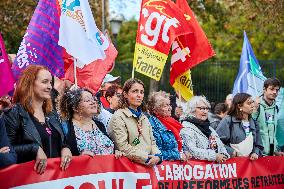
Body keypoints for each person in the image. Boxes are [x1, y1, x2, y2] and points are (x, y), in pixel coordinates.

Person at [3, 65, 72, 174]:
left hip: (56, 180)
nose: (50, 87)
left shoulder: (52, 113)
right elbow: (6, 150)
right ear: (30, 83)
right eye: (45, 82)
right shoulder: (14, 113)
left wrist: (66, 148)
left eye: (50, 82)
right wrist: (33, 149)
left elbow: (62, 141)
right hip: (27, 180)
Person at [108, 78, 162, 166]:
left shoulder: (144, 118)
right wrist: (147, 157)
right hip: (129, 169)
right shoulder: (119, 116)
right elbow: (123, 147)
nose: (139, 95)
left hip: (147, 167)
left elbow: (152, 142)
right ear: (125, 94)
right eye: (135, 91)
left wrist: (157, 156)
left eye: (141, 92)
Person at [59, 88, 114, 156]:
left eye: (93, 99)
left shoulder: (100, 125)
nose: (93, 102)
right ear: (75, 107)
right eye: (87, 100)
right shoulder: (65, 127)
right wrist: (80, 158)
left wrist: (116, 152)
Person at [180, 96, 229, 163]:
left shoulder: (209, 128)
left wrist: (224, 155)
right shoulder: (186, 128)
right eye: (202, 108)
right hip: (197, 170)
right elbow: (192, 150)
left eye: (207, 109)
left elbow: (220, 145)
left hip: (214, 171)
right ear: (192, 109)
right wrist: (214, 156)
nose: (205, 112)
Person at [216, 93, 263, 160]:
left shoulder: (254, 123)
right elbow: (217, 142)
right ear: (239, 106)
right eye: (249, 103)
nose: (253, 105)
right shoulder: (228, 120)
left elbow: (259, 145)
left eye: (253, 102)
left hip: (249, 165)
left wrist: (255, 153)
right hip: (232, 164)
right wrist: (231, 152)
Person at [147, 91, 191, 161]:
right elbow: (156, 153)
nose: (170, 108)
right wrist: (178, 155)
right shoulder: (152, 125)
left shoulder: (173, 122)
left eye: (169, 104)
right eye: (165, 106)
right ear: (155, 110)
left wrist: (185, 151)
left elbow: (179, 144)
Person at [252, 78, 284, 156]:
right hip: (258, 154)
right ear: (264, 89)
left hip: (272, 154)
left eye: (277, 90)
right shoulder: (256, 105)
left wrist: (275, 150)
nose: (274, 92)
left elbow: (272, 132)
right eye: (271, 89)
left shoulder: (275, 107)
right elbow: (250, 126)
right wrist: (255, 109)